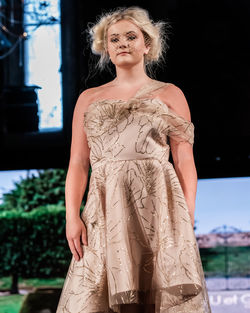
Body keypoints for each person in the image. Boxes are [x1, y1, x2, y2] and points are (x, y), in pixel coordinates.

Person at [56, 6, 212, 313]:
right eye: (114, 39)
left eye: (131, 36)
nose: (123, 43)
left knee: (157, 293)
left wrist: (185, 214)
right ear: (106, 47)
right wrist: (71, 215)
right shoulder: (89, 99)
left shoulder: (170, 94)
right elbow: (78, 163)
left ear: (147, 44)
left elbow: (184, 160)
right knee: (101, 293)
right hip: (105, 207)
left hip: (159, 208)